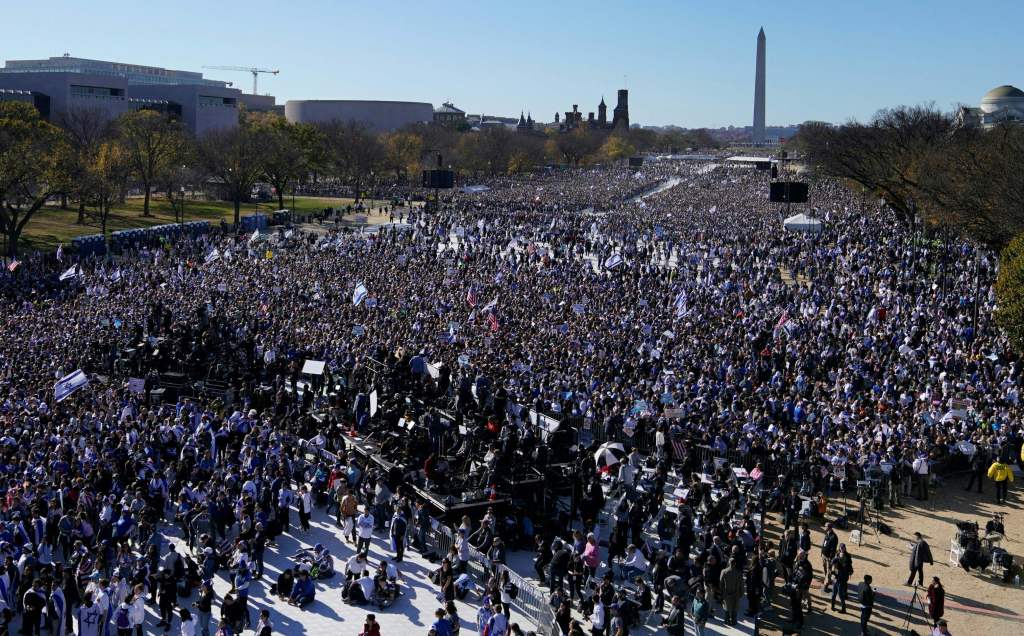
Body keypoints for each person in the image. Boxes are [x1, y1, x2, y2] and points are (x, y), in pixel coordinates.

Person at [719, 557, 744, 626]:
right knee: (734, 607)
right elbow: (741, 584)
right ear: (735, 564)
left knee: (727, 607)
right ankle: (734, 620)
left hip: (726, 593)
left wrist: (721, 593)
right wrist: (741, 593)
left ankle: (727, 620)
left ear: (729, 563)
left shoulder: (723, 571)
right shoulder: (739, 573)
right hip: (736, 593)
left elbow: (721, 583)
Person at [831, 543, 854, 613]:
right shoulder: (837, 554)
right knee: (833, 594)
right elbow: (832, 562)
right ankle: (832, 606)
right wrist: (833, 568)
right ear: (839, 548)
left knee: (840, 594)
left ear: (845, 548)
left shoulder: (847, 556)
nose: (842, 549)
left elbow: (848, 566)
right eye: (841, 547)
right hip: (836, 577)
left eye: (843, 547)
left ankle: (843, 609)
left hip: (842, 578)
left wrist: (841, 563)